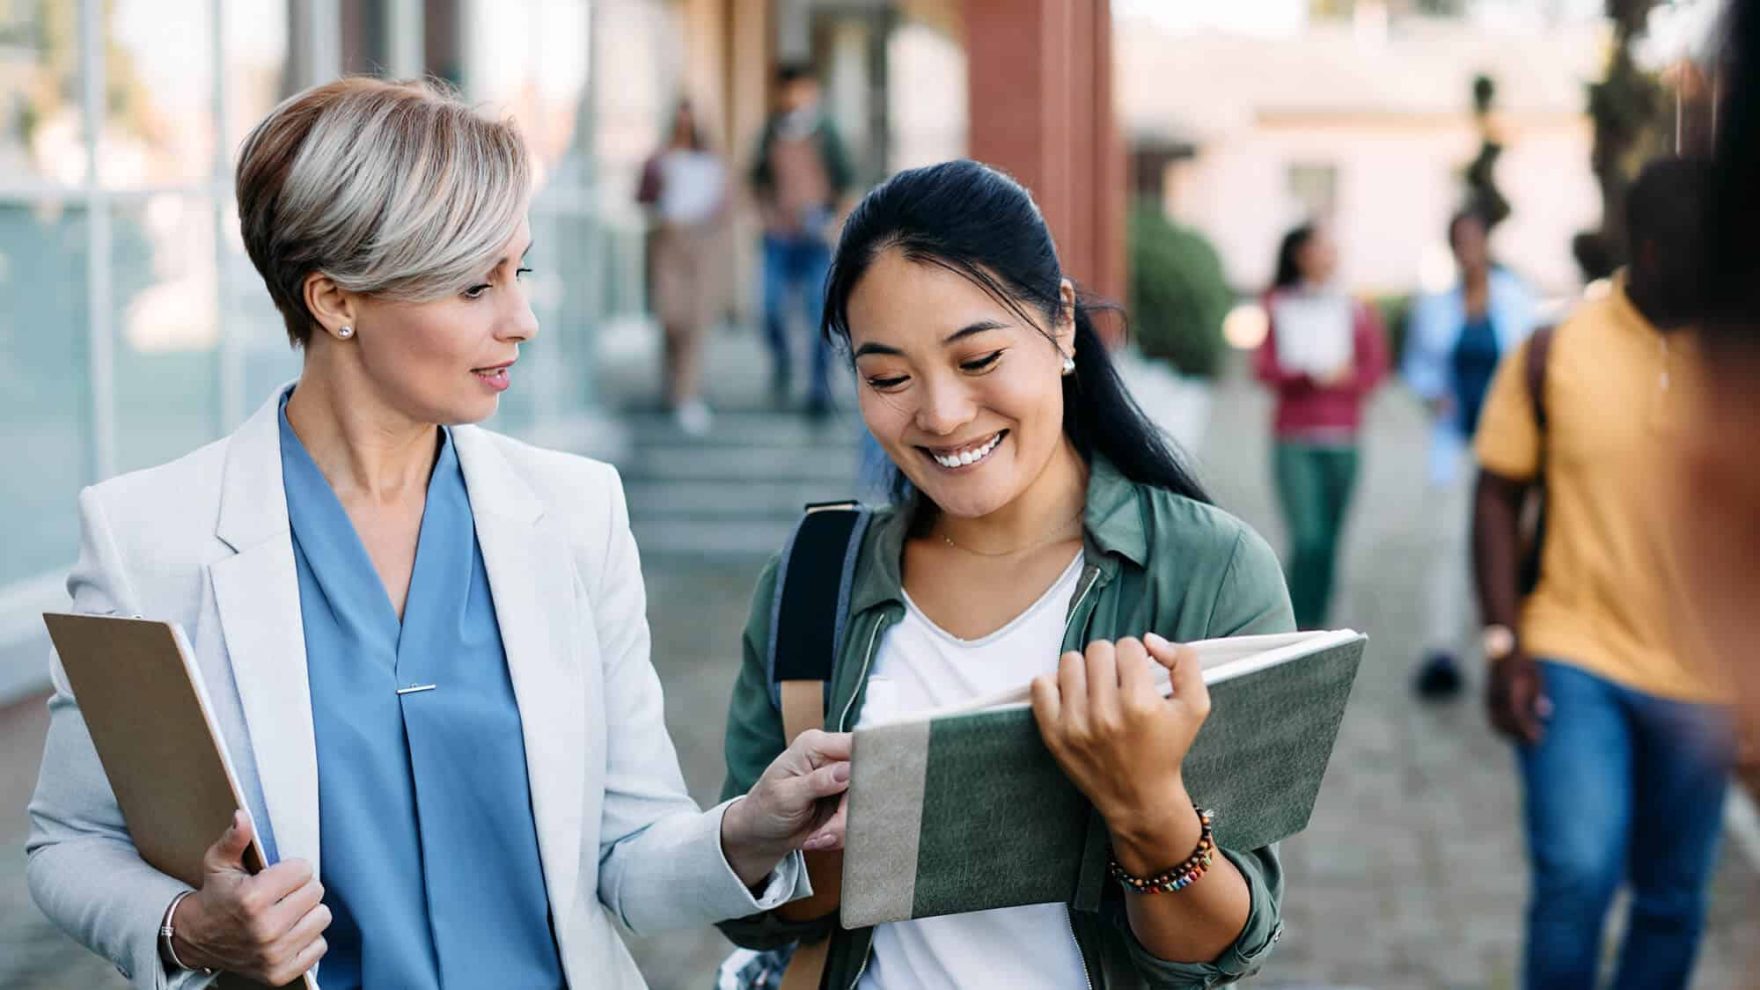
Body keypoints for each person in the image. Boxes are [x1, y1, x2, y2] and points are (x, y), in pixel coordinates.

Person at [25, 78, 850, 990]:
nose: (522, 321)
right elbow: (70, 843)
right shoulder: (150, 539)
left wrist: (748, 828)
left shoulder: (579, 514)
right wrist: (185, 928)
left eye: (519, 271)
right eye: (472, 285)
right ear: (336, 301)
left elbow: (625, 855)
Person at [717, 161, 1290, 989]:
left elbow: (1221, 952)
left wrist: (1146, 809)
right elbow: (754, 913)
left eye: (978, 358)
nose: (942, 414)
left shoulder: (1207, 573)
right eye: (887, 378)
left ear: (1060, 323)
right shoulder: (813, 580)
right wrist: (785, 842)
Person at [1473, 159, 1734, 990]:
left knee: (1672, 898)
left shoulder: (1743, 364)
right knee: (1578, 875)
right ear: (1652, 252)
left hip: (1710, 682)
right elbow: (1495, 494)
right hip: (1574, 653)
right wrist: (1503, 640)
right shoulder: (1558, 349)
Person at [1402, 209, 1535, 699]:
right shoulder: (1434, 306)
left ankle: (1511, 645)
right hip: (1454, 440)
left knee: (1511, 546)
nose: (1468, 248)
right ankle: (1442, 651)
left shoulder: (1518, 298)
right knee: (1447, 544)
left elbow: (1531, 366)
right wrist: (1431, 392)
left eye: (1474, 238)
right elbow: (1415, 367)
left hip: (1508, 447)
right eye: (1459, 240)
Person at [1253, 222, 1388, 630]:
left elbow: (1375, 368)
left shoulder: (1356, 308)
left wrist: (1346, 378)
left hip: (1344, 438)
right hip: (1294, 438)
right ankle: (1293, 621)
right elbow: (1263, 368)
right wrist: (1308, 376)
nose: (1328, 255)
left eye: (1332, 247)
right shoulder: (1278, 304)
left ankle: (1318, 626)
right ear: (1300, 254)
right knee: (1307, 537)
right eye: (1320, 247)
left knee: (1330, 541)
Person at [750, 63, 854, 417]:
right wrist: (765, 217)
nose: (795, 97)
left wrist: (834, 226)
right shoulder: (770, 132)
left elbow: (847, 185)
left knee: (817, 314)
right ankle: (782, 361)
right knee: (769, 308)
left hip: (816, 238)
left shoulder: (827, 132)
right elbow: (755, 182)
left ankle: (818, 389)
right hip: (778, 237)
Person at [637, 99, 728, 436]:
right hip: (667, 242)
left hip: (699, 245)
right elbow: (643, 196)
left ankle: (686, 393)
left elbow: (724, 202)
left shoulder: (710, 161)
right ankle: (672, 387)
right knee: (670, 319)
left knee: (693, 321)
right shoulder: (660, 159)